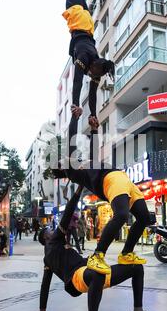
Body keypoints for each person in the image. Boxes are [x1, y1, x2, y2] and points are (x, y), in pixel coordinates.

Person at [31, 185, 160, 311]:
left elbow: (45, 285)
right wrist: (78, 190)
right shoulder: (54, 242)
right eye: (49, 231)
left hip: (89, 269)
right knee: (97, 273)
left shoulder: (48, 258)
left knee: (136, 268)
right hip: (78, 277)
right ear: (47, 238)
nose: (54, 230)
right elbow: (68, 213)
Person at [51, 115, 153, 275]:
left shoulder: (87, 164)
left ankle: (126, 253)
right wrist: (74, 118)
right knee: (121, 215)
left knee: (144, 218)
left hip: (125, 179)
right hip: (111, 180)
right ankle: (97, 255)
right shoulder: (72, 171)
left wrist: (94, 129)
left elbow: (94, 151)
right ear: (62, 168)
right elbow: (71, 139)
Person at [58, 0, 115, 122]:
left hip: (87, 23)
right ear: (96, 66)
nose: (92, 76)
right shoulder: (85, 57)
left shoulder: (97, 68)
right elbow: (76, 82)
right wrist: (75, 104)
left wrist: (93, 115)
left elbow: (92, 95)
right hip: (78, 21)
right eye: (93, 74)